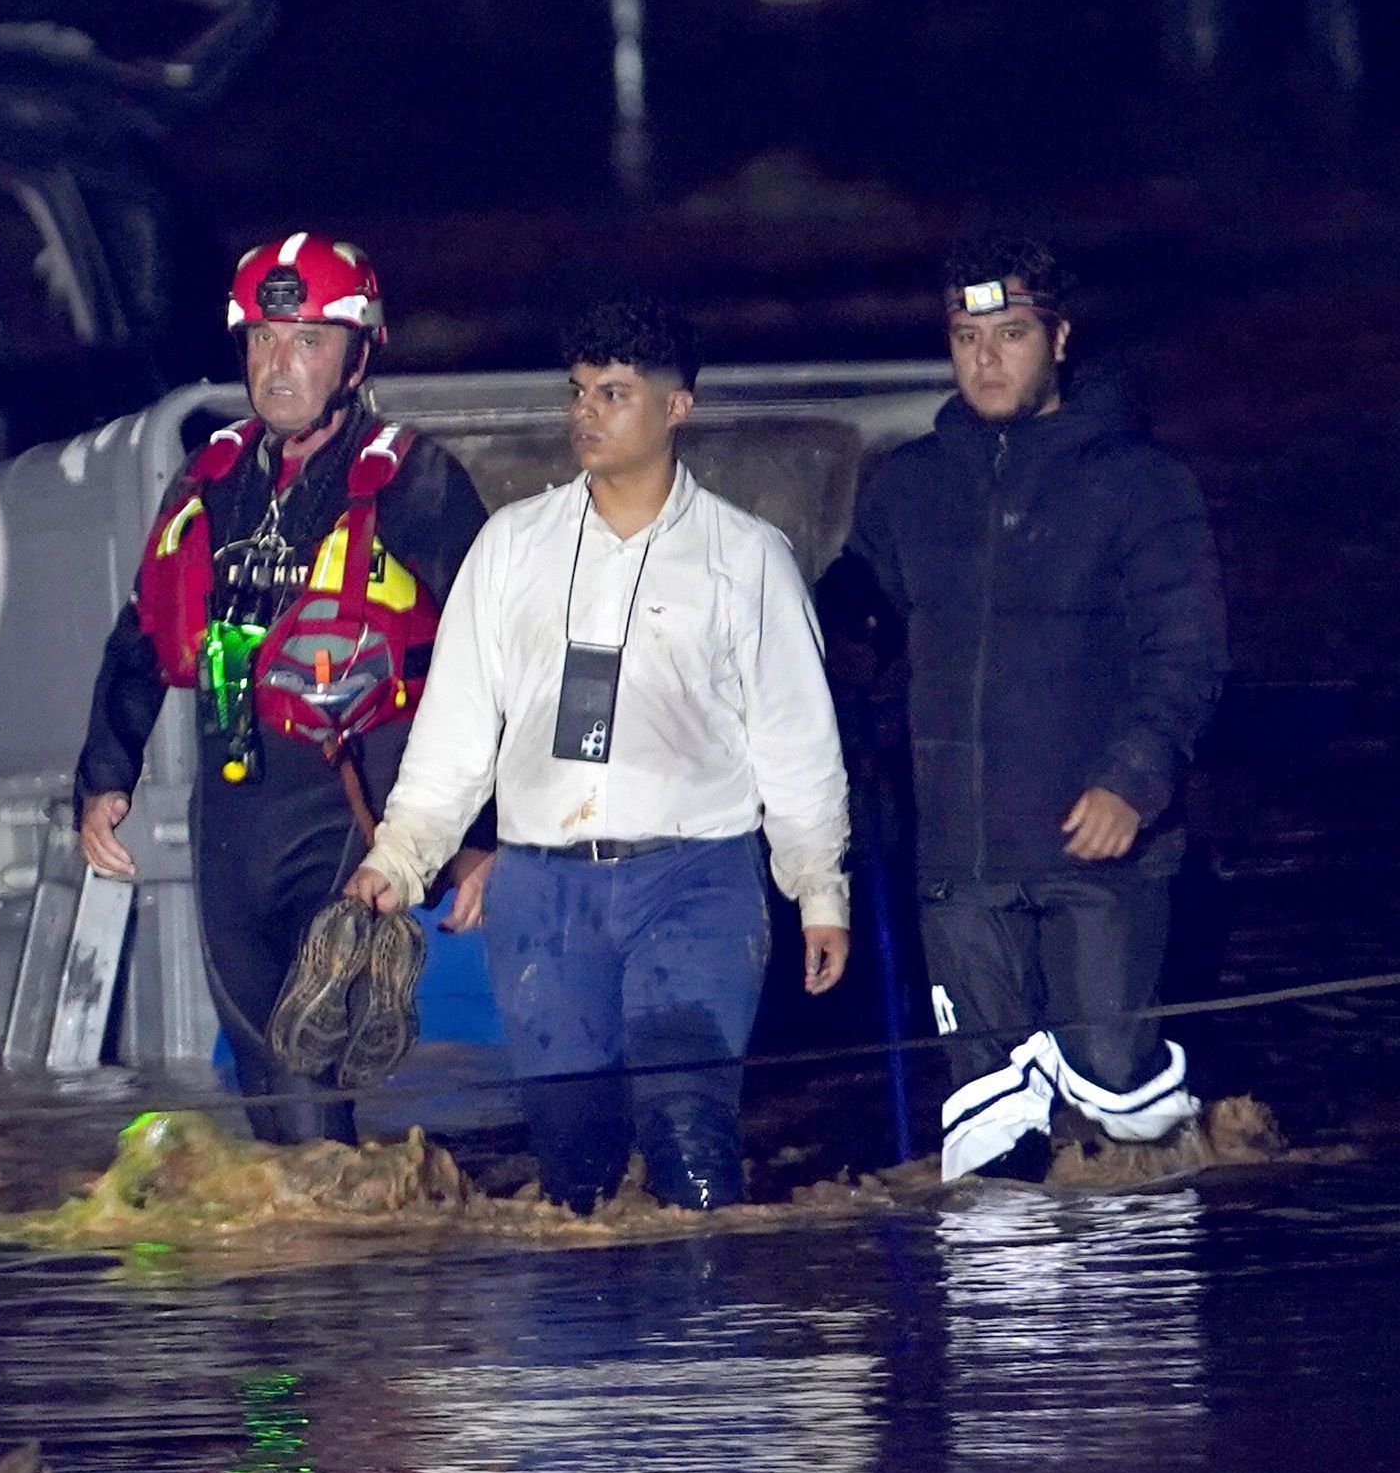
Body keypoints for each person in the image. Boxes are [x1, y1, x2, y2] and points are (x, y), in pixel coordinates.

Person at [354, 300, 853, 1211]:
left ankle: (704, 1339)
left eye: (614, 394)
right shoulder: (512, 548)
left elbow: (797, 742)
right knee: (574, 1163)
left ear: (676, 409)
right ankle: (590, 1346)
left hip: (695, 881)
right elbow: (456, 731)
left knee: (688, 1131)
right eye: (579, 392)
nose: (585, 412)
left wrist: (819, 889)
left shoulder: (745, 559)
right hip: (544, 894)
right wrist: (401, 856)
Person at [75, 232, 490, 1140]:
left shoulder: (415, 480)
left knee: (307, 1065)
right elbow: (145, 632)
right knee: (263, 1077)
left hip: (350, 809)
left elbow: (493, 658)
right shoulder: (209, 476)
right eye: (262, 339)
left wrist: (474, 838)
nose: (278, 364)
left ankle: (343, 1265)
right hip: (233, 812)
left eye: (305, 339)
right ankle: (317, 1264)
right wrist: (105, 780)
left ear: (357, 354)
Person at [836, 234, 1229, 1180]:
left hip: (1100, 860)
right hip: (959, 869)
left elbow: (1189, 653)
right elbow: (857, 625)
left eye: (1010, 334)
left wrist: (1133, 783)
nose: (986, 359)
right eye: (967, 337)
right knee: (987, 1132)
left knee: (1117, 1110)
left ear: (1059, 337)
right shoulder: (911, 486)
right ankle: (1011, 1329)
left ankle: (1135, 1317)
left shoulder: (1140, 484)